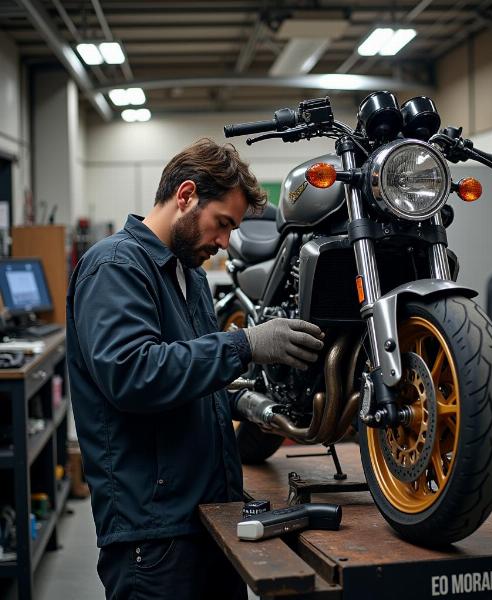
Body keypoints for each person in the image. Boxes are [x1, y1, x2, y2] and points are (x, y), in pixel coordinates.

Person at [66, 138, 325, 599]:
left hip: (210, 520)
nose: (225, 242)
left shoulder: (192, 276)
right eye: (222, 224)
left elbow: (187, 378)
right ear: (185, 196)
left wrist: (248, 402)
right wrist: (244, 344)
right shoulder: (114, 266)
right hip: (154, 538)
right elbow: (133, 374)